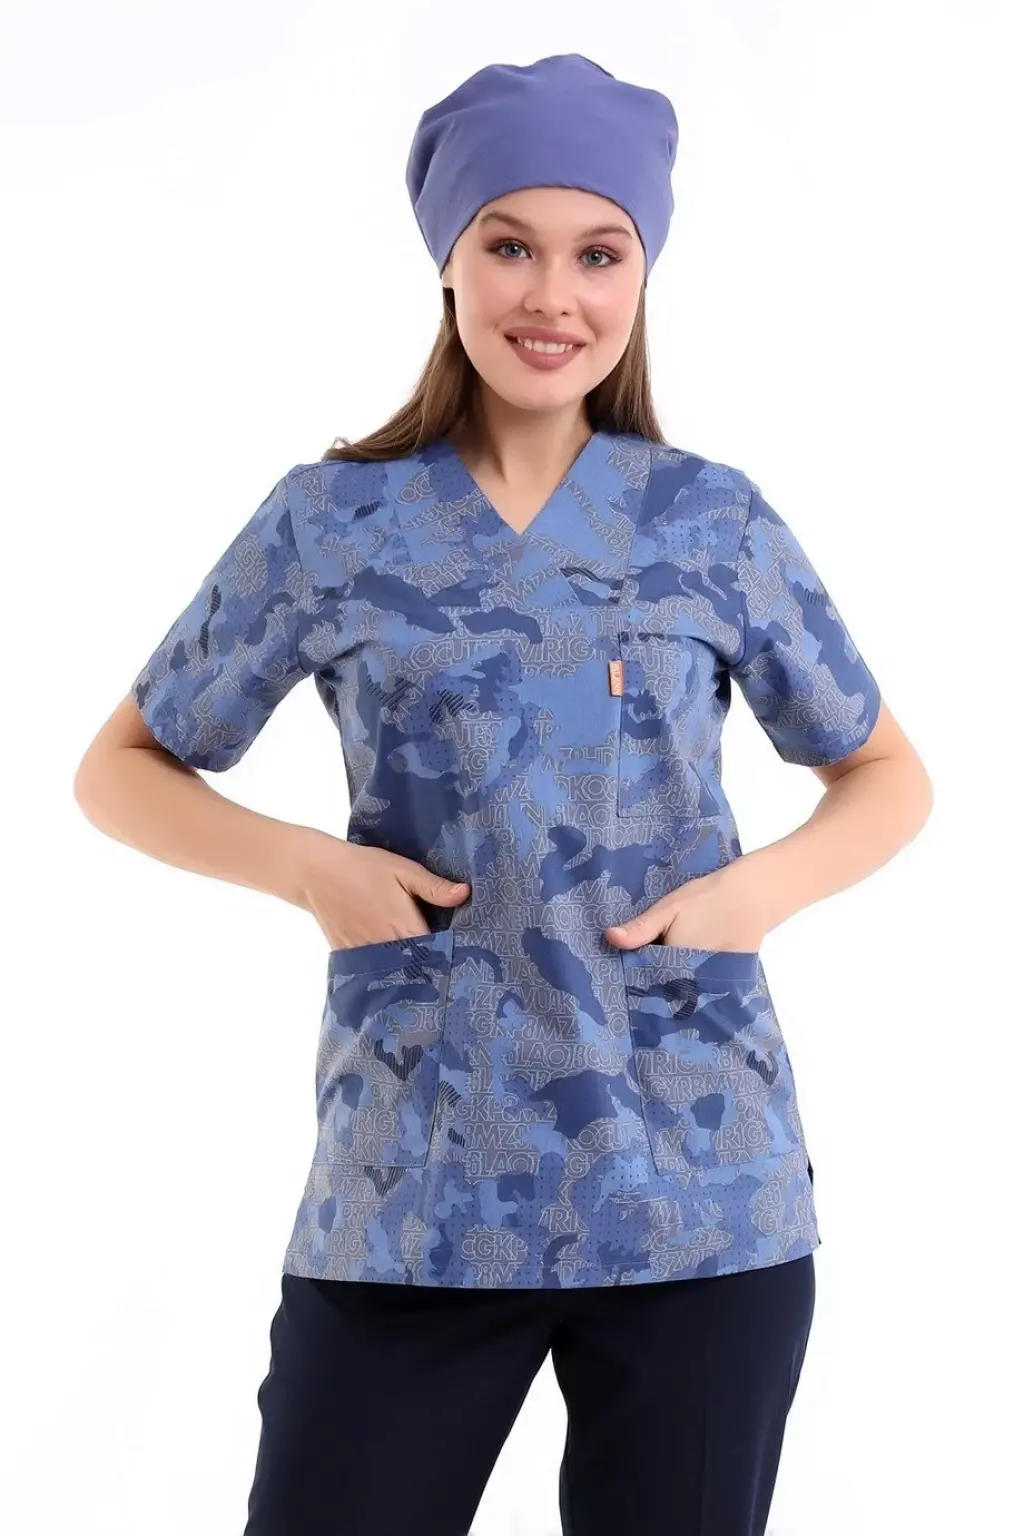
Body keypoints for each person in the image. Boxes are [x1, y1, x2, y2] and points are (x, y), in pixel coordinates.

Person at [74, 52, 932, 1536]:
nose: (553, 296)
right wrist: (309, 870)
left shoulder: (710, 521)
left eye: (600, 254)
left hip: (694, 1188)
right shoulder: (334, 523)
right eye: (509, 245)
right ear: (449, 262)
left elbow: (885, 773)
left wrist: (752, 897)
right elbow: (121, 768)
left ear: (643, 275)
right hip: (414, 1184)